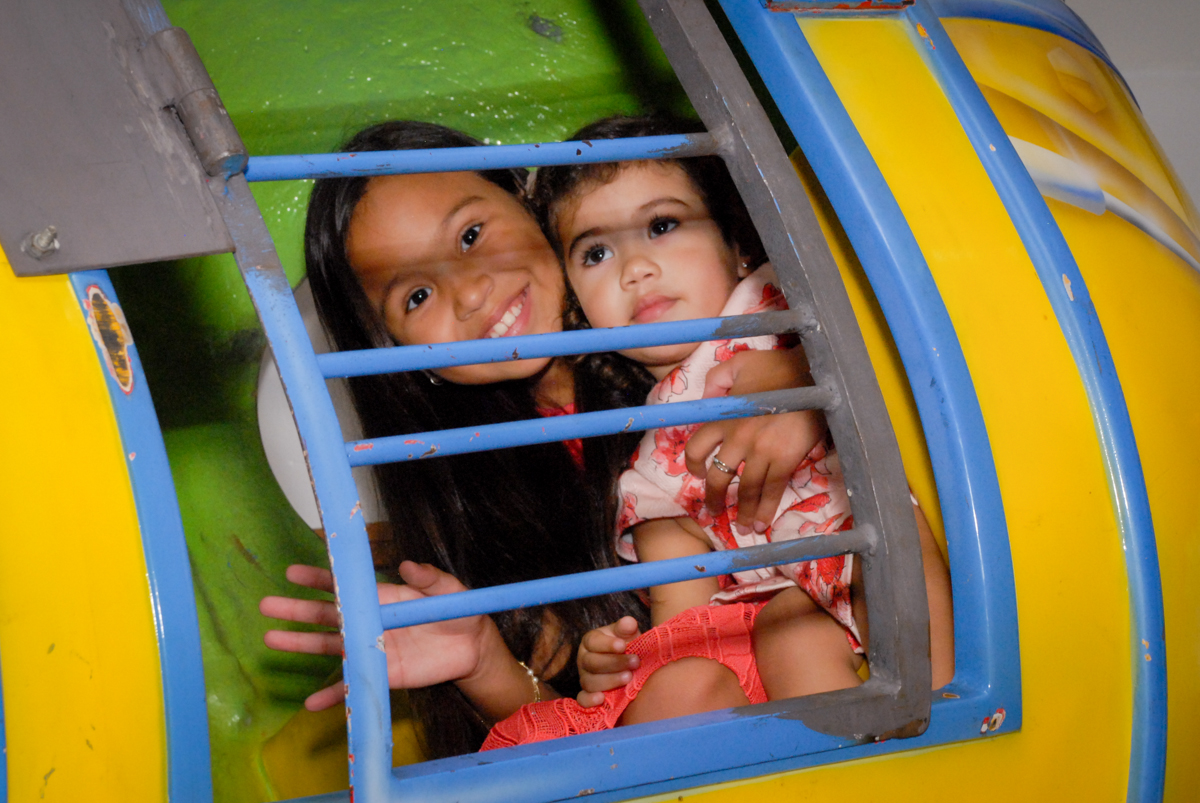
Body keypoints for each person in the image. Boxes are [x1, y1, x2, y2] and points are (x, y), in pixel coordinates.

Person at [259, 120, 830, 758]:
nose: (469, 291)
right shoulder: (465, 506)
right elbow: (601, 733)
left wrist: (818, 389)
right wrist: (485, 666)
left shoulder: (703, 331)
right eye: (417, 295)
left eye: (472, 235)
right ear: (401, 354)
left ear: (529, 206)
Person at [481, 116, 955, 749]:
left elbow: (891, 348)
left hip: (868, 533)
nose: (636, 268)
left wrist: (802, 372)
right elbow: (688, 626)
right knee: (791, 650)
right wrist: (619, 662)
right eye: (596, 253)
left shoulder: (780, 304)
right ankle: (852, 769)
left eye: (662, 225)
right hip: (786, 596)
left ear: (737, 246)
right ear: (579, 311)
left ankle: (945, 729)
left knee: (894, 572)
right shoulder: (650, 455)